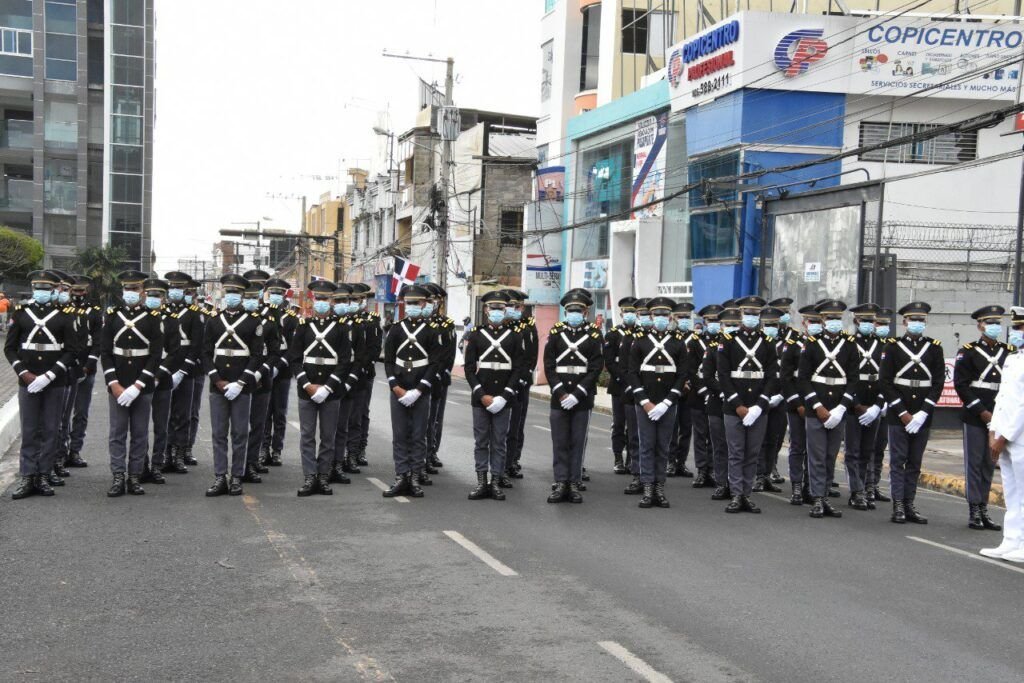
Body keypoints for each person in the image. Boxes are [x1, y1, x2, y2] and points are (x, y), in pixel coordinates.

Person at [4, 270, 81, 499]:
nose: (41, 293)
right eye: (38, 288)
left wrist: (50, 375)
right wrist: (23, 372)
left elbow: (71, 350)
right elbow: (9, 348)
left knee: (50, 430)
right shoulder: (21, 313)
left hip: (53, 381)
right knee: (29, 430)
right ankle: (28, 475)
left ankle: (43, 475)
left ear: (54, 290)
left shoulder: (64, 315)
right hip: (26, 380)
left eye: (46, 289)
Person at [101, 270, 166, 497]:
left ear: (143, 291)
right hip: (118, 383)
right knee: (117, 433)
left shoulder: (152, 317)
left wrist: (139, 385)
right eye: (127, 288)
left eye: (135, 288)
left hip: (142, 385)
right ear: (122, 290)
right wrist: (113, 382)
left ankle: (135, 476)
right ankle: (118, 476)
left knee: (139, 433)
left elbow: (156, 355)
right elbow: (105, 352)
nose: (131, 292)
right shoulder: (112, 316)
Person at [879, 301, 944, 524]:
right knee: (898, 460)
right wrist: (903, 412)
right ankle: (897, 504)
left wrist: (924, 412)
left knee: (915, 462)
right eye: (913, 319)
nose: (917, 323)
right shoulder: (893, 347)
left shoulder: (934, 347)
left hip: (922, 416)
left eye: (921, 320)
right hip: (900, 415)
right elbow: (885, 382)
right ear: (905, 321)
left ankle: (909, 504)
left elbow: (938, 383)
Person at [202, 274, 266, 497]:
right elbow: (206, 352)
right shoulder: (214, 320)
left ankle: (236, 476)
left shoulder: (253, 322)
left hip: (241, 386)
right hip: (217, 385)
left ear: (242, 295)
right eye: (228, 292)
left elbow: (257, 355)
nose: (232, 296)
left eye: (236, 293)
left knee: (240, 433)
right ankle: (220, 476)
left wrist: (240, 382)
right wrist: (216, 379)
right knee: (219, 433)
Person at [289, 280, 352, 496]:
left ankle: (323, 477)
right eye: (319, 298)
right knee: (307, 435)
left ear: (332, 301)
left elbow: (345, 361)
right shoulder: (303, 326)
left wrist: (327, 387)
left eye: (326, 298)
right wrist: (307, 384)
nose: (322, 302)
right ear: (312, 299)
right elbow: (295, 359)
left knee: (328, 436)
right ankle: (309, 477)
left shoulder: (342, 328)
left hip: (330, 391)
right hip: (306, 390)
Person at [798, 300, 859, 519]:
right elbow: (803, 378)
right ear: (822, 320)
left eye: (837, 318)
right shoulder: (812, 344)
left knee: (830, 456)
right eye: (829, 318)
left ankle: (825, 496)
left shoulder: (850, 344)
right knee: (816, 455)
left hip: (838, 410)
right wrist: (817, 406)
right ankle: (817, 499)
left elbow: (853, 380)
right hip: (817, 409)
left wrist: (842, 408)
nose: (833, 322)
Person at [717, 296, 778, 514]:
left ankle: (746, 494)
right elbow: (723, 376)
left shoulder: (768, 343)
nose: (751, 317)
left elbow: (772, 376)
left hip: (758, 408)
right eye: (748, 313)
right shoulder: (728, 341)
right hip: (735, 407)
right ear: (741, 314)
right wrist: (738, 405)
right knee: (736, 452)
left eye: (755, 313)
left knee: (752, 453)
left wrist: (760, 405)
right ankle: (735, 494)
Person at [627, 296, 689, 508]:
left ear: (670, 317)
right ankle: (647, 487)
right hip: (645, 403)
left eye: (664, 315)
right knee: (646, 446)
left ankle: (659, 487)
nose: (661, 318)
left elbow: (682, 375)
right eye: (657, 314)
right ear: (651, 316)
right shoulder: (640, 342)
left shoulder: (678, 343)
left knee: (663, 446)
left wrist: (667, 402)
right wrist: (644, 401)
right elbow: (632, 373)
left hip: (667, 404)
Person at [462, 290, 524, 500]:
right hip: (481, 398)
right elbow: (469, 368)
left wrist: (505, 396)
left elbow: (518, 369)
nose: (496, 311)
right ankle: (481, 482)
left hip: (503, 398)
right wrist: (481, 394)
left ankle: (495, 482)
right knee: (481, 441)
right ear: (486, 310)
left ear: (505, 310)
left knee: (499, 442)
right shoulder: (476, 334)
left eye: (500, 308)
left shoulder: (515, 336)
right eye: (493, 308)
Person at [382, 284, 442, 498]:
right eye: (409, 303)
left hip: (420, 391)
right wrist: (395, 386)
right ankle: (401, 475)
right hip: (398, 389)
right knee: (399, 435)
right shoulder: (396, 329)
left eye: (416, 303)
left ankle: (415, 476)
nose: (412, 307)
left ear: (424, 304)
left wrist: (418, 390)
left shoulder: (431, 331)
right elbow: (388, 361)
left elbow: (434, 363)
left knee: (418, 436)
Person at [954, 305, 1010, 531]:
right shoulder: (968, 351)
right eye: (989, 323)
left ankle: (984, 508)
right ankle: (974, 509)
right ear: (979, 325)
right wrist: (982, 411)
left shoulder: (1008, 351)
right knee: (975, 463)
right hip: (976, 416)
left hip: (1000, 414)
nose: (994, 327)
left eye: (997, 323)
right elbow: (961, 385)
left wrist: (999, 414)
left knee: (990, 462)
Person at [544, 288, 603, 503]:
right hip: (559, 396)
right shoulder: (556, 332)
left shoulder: (594, 334)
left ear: (586, 312)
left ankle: (573, 482)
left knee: (577, 441)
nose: (574, 314)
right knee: (560, 441)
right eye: (571, 310)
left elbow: (596, 366)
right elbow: (549, 365)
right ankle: (560, 482)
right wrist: (560, 391)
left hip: (582, 396)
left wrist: (578, 393)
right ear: (566, 312)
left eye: (578, 310)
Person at [981, 307, 1024, 561]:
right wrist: (993, 430)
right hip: (1004, 436)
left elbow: (1022, 405)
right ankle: (1011, 540)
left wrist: (1003, 436)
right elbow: (1003, 398)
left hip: (1018, 436)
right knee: (1012, 492)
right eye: (1015, 327)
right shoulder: (1013, 358)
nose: (1016, 333)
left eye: (1020, 328)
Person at [239, 273, 282, 483]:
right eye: (247, 292)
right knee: (239, 425)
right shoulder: (230, 317)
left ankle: (251, 461)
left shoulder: (270, 318)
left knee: (258, 422)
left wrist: (261, 371)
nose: (250, 297)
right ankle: (238, 463)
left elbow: (275, 350)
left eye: (254, 292)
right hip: (238, 378)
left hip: (261, 378)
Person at [843, 303, 885, 510]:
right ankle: (856, 491)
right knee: (853, 451)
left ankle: (865, 485)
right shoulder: (848, 344)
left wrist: (878, 405)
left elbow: (886, 378)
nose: (868, 324)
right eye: (864, 320)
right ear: (856, 321)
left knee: (868, 450)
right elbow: (846, 377)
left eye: (871, 320)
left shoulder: (883, 344)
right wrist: (857, 404)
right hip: (854, 405)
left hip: (874, 404)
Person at [163, 272, 205, 474]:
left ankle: (179, 454)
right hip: (165, 369)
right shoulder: (161, 312)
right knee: (164, 414)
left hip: (186, 370)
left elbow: (197, 345)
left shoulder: (195, 313)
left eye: (179, 288)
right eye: (172, 287)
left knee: (183, 414)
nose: (175, 291)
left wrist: (182, 370)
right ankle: (165, 453)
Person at [143, 279, 183, 485]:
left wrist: (159, 374)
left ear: (164, 297)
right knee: (140, 427)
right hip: (141, 377)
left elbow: (174, 351)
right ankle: (140, 464)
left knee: (161, 425)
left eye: (157, 295)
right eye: (150, 294)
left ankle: (157, 465)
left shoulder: (171, 320)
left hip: (162, 378)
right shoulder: (138, 317)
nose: (153, 298)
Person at [66, 275, 103, 470]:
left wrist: (89, 364)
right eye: (75, 291)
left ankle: (75, 450)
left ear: (86, 291)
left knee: (81, 412)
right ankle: (60, 453)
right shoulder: (63, 310)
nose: (78, 294)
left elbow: (98, 341)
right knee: (63, 413)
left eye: (81, 291)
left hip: (87, 366)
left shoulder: (95, 312)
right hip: (68, 367)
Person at [262, 277, 299, 467]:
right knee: (264, 412)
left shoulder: (291, 319)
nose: (276, 296)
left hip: (282, 372)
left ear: (285, 295)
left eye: (279, 293)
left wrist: (280, 365)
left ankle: (276, 450)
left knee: (280, 412)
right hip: (266, 370)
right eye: (273, 293)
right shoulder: (262, 315)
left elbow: (293, 348)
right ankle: (263, 449)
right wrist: (268, 367)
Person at [781, 305, 814, 505]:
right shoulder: (792, 344)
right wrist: (796, 402)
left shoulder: (820, 345)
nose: (815, 325)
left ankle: (810, 486)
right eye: (811, 321)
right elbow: (785, 377)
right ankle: (796, 486)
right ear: (803, 323)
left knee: (815, 449)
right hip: (796, 404)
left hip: (816, 405)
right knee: (797, 446)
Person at [503, 289, 537, 480]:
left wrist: (523, 378)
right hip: (501, 382)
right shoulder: (500, 325)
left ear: (522, 307)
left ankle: (513, 460)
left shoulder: (528, 327)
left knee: (517, 423)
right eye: (509, 306)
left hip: (521, 383)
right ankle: (500, 461)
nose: (512, 310)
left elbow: (531, 356)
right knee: (501, 425)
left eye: (516, 306)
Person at [424, 283, 457, 478]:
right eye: (427, 300)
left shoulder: (446, 325)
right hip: (417, 378)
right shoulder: (416, 323)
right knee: (421, 420)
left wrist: (439, 373)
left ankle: (431, 452)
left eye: (433, 300)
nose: (431, 304)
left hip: (438, 379)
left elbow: (448, 354)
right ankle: (420, 455)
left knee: (435, 419)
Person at [603, 296, 638, 475]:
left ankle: (632, 458)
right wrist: (624, 379)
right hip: (619, 385)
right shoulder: (613, 334)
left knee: (634, 425)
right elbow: (609, 362)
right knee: (619, 423)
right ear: (621, 313)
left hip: (636, 386)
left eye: (633, 311)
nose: (630, 315)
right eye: (627, 312)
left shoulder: (642, 334)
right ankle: (618, 457)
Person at [328, 282, 358, 484]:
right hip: (329, 382)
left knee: (343, 427)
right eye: (337, 300)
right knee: (327, 429)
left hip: (348, 383)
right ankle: (325, 466)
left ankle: (338, 464)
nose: (340, 304)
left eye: (344, 301)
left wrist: (348, 381)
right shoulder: (326, 324)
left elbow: (361, 356)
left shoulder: (357, 325)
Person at [753, 305, 785, 494]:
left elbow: (789, 375)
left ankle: (766, 474)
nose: (771, 327)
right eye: (767, 324)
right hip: (760, 398)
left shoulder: (787, 345)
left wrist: (780, 396)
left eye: (774, 324)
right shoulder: (758, 344)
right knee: (759, 438)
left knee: (773, 438)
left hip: (780, 398)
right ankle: (758, 475)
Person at [348, 283, 381, 468]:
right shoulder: (341, 320)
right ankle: (343, 451)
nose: (353, 303)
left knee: (360, 414)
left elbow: (374, 348)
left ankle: (358, 450)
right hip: (344, 373)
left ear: (363, 300)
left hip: (363, 373)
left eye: (357, 299)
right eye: (350, 299)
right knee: (343, 414)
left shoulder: (371, 320)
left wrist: (361, 366)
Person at [622, 298, 651, 495]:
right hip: (635, 394)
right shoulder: (630, 337)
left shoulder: (660, 336)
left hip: (655, 395)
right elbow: (625, 366)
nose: (647, 318)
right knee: (635, 435)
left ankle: (651, 478)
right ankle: (637, 473)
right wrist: (633, 388)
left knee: (652, 440)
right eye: (643, 314)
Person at [688, 305, 719, 489]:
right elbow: (691, 370)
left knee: (715, 435)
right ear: (704, 322)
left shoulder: (725, 341)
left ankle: (713, 469)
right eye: (710, 320)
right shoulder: (694, 342)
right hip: (699, 394)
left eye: (717, 320)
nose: (714, 324)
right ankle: (701, 470)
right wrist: (703, 391)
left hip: (717, 394)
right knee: (700, 434)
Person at [867, 307, 895, 504]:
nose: (882, 327)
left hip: (888, 404)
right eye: (879, 323)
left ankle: (874, 484)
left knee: (880, 447)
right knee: (868, 447)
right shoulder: (870, 346)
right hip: (871, 402)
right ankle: (866, 485)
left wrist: (887, 401)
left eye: (885, 324)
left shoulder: (892, 346)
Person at [183, 279, 210, 467]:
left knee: (192, 411)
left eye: (190, 292)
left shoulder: (203, 315)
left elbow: (206, 344)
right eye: (184, 291)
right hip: (172, 368)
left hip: (196, 369)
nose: (187, 295)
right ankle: (171, 449)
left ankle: (187, 448)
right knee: (172, 413)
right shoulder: (167, 314)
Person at [667, 302, 695, 478]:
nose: (684, 320)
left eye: (687, 317)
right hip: (673, 388)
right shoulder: (669, 338)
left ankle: (681, 462)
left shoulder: (696, 338)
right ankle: (670, 461)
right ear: (674, 318)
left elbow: (699, 365)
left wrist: (690, 384)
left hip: (690, 390)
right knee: (672, 427)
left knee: (686, 428)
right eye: (681, 317)